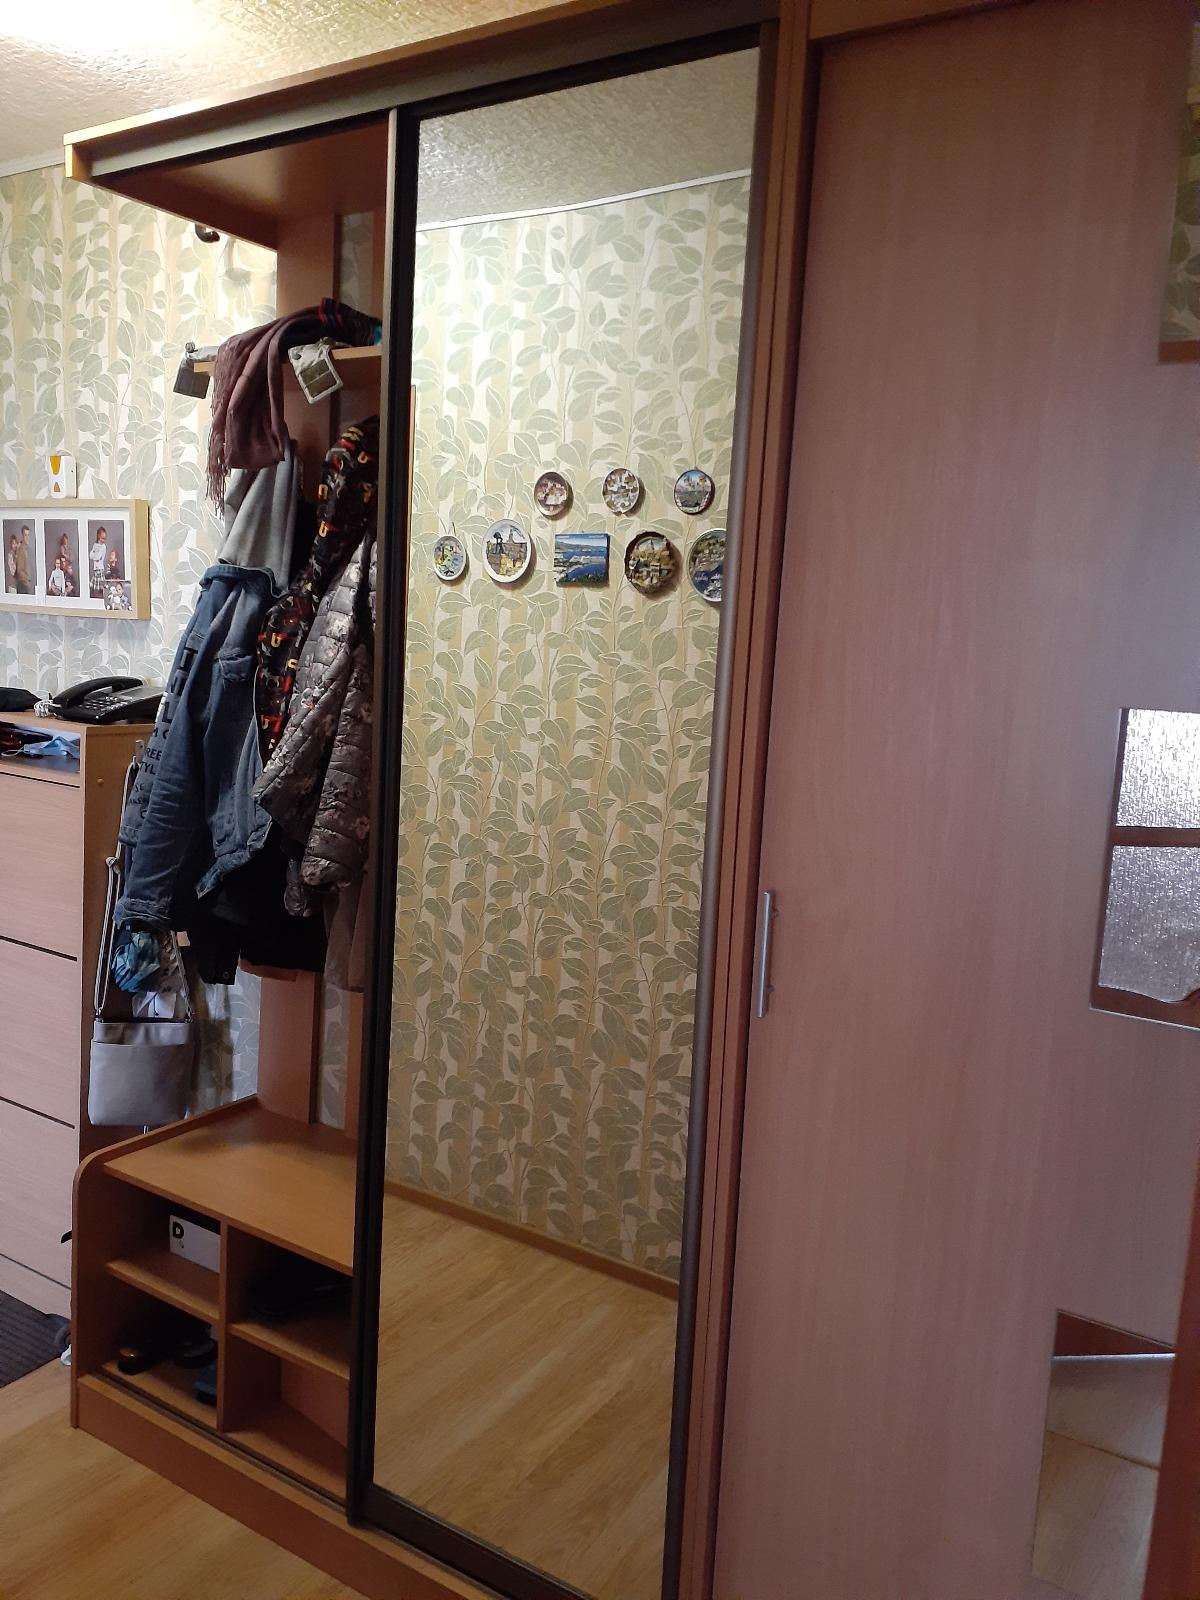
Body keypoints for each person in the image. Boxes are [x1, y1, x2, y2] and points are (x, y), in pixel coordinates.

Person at [88, 526, 107, 597]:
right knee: (95, 587)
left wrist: (95, 554)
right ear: (98, 536)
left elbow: (98, 557)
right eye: (102, 538)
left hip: (100, 568)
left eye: (105, 538)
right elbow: (91, 555)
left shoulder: (103, 547)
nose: (103, 540)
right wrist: (95, 554)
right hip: (95, 569)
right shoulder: (95, 545)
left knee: (101, 587)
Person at [14, 526, 33, 595]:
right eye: (25, 535)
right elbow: (20, 570)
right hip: (22, 584)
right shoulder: (21, 549)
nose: (27, 537)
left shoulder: (26, 549)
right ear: (22, 536)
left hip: (25, 584)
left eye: (28, 535)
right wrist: (27, 580)